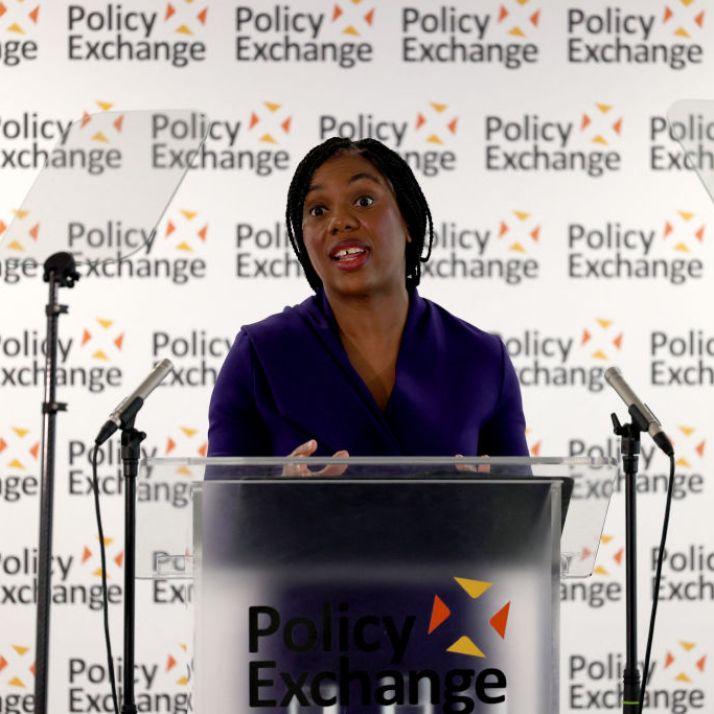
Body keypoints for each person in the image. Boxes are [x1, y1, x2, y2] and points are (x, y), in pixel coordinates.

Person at [207, 137, 528, 460]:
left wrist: (481, 492)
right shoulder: (260, 354)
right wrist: (276, 487)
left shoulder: (482, 358)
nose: (340, 222)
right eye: (318, 210)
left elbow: (521, 494)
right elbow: (221, 493)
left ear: (407, 220)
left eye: (363, 201)